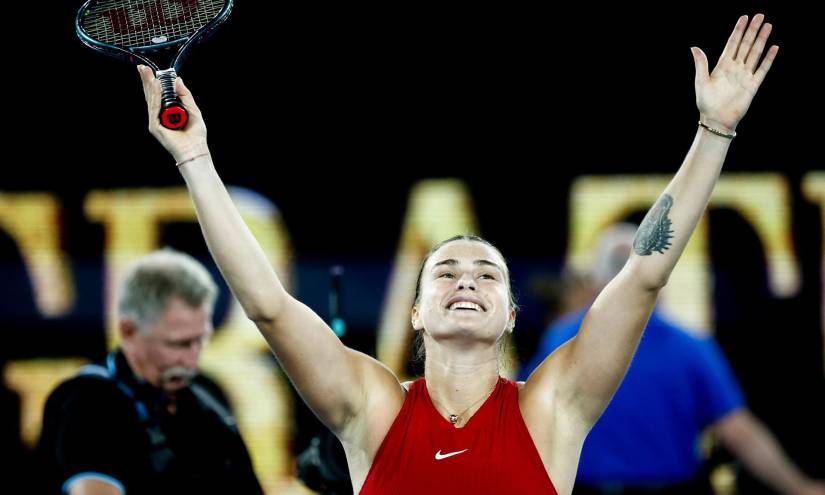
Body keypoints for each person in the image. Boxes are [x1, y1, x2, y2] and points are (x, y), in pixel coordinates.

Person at [138, 14, 777, 495]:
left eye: (486, 273)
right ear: (415, 312)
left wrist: (714, 130)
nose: (464, 279)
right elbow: (267, 305)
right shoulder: (374, 408)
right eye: (444, 270)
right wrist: (194, 156)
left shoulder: (551, 407)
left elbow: (643, 273)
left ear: (511, 316)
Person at [521, 223, 825, 495]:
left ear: (598, 282)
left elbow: (525, 421)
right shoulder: (690, 347)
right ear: (661, 277)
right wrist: (800, 488)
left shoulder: (561, 339)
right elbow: (737, 430)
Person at [37, 249, 263, 495]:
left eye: (201, 340)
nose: (192, 358)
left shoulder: (206, 406)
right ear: (129, 331)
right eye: (178, 344)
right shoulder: (88, 404)